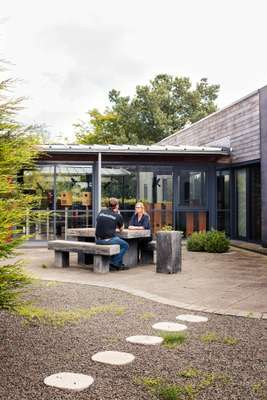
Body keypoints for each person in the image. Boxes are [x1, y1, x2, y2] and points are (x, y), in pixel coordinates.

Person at [95, 197, 129, 270]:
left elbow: (99, 221)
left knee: (119, 243)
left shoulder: (101, 212)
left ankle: (119, 265)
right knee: (125, 245)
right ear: (116, 206)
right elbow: (121, 230)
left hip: (97, 240)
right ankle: (114, 263)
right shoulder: (117, 215)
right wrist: (119, 216)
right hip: (108, 240)